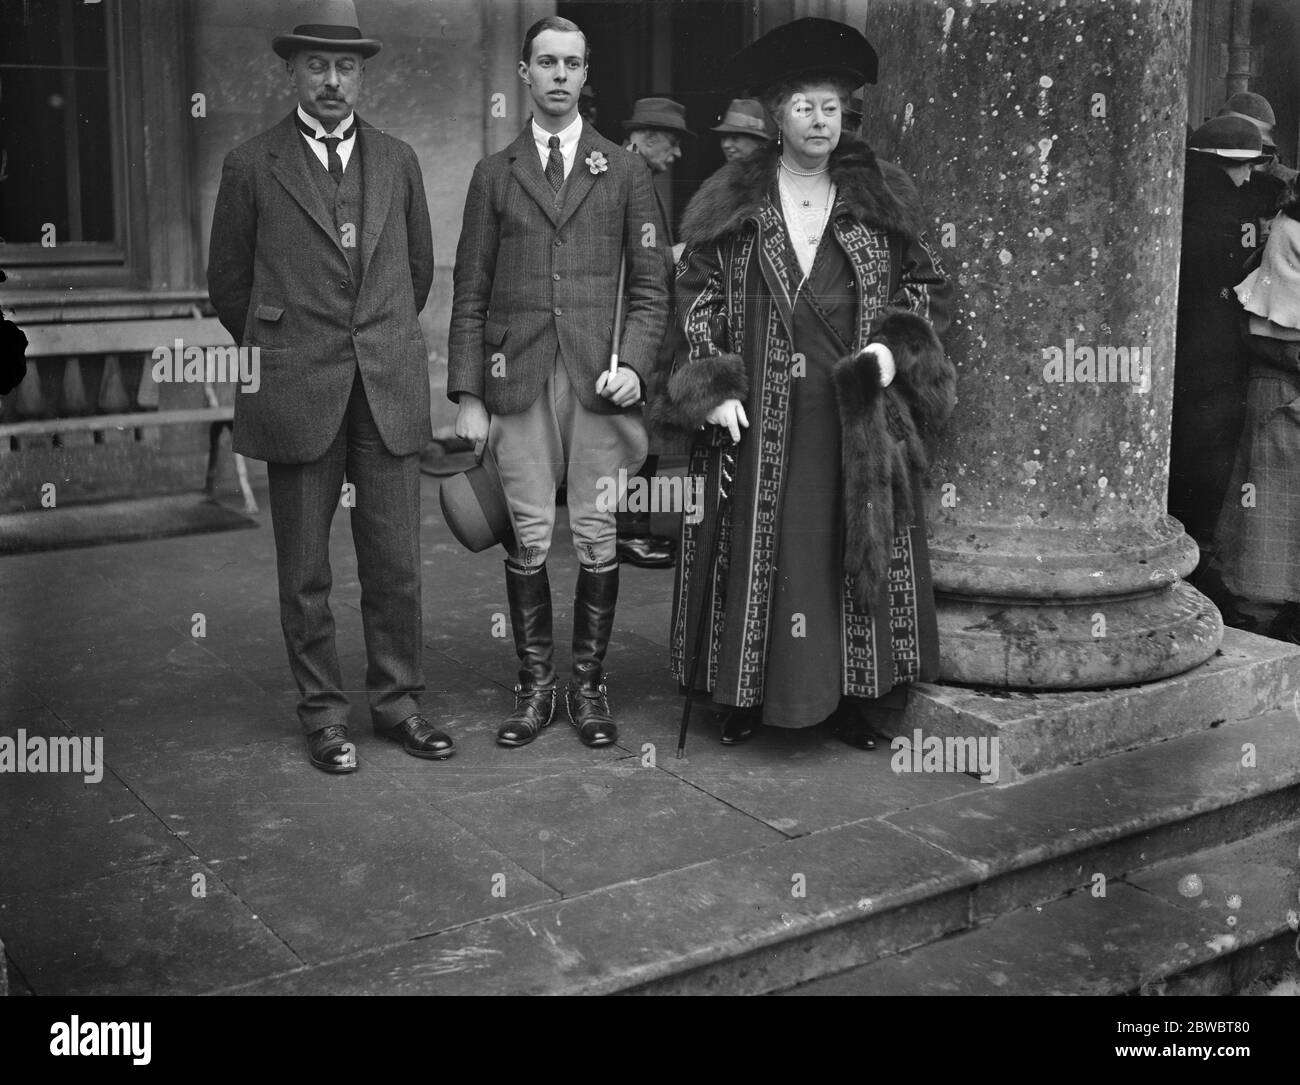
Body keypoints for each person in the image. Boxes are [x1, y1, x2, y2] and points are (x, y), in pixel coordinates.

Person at [655, 18, 954, 748]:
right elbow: (698, 294)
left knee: (845, 540)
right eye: (803, 107)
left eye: (831, 107)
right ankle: (745, 695)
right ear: (776, 116)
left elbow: (927, 283)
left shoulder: (882, 196)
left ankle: (854, 693)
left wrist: (895, 350)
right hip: (757, 408)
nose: (820, 121)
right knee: (759, 544)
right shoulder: (730, 202)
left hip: (854, 407)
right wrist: (712, 383)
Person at [207, 0, 452, 774]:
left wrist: (374, 340)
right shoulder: (252, 164)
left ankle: (399, 703)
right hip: (296, 389)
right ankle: (323, 714)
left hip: (385, 386)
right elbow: (228, 285)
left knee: (396, 563)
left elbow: (416, 274)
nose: (332, 80)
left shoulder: (399, 159)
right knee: (305, 569)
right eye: (316, 64)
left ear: (362, 74)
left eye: (345, 66)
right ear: (291, 71)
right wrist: (287, 343)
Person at [448, 16, 669, 749]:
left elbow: (651, 288)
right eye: (546, 62)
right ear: (524, 73)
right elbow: (469, 293)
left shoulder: (624, 170)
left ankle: (590, 687)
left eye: (572, 63)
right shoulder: (494, 174)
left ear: (585, 74)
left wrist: (634, 364)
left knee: (598, 531)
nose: (559, 75)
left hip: (598, 383)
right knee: (533, 532)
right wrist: (470, 395)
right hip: (519, 379)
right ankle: (536, 687)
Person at [1170, 116, 1274, 589]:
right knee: (1204, 446)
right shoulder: (1214, 206)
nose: (1249, 175)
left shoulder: (1202, 198)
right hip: (1208, 347)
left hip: (1204, 345)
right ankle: (1197, 545)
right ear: (1214, 164)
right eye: (1242, 166)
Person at [1213, 200, 1300, 641]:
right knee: (1268, 510)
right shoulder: (1285, 238)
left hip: (1283, 387)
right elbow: (1267, 332)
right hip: (1281, 391)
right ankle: (1267, 607)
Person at [619, 96, 695, 569]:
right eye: (672, 141)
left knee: (637, 432)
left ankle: (632, 528)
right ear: (646, 139)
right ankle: (627, 532)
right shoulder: (626, 178)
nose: (679, 153)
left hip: (637, 326)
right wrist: (682, 252)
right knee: (632, 434)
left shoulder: (636, 175)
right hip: (629, 327)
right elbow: (626, 262)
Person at [711, 98, 776, 163]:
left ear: (758, 141)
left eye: (734, 138)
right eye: (723, 138)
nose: (725, 145)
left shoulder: (777, 171)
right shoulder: (729, 172)